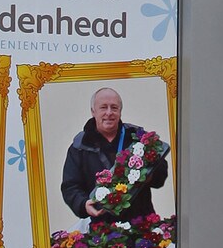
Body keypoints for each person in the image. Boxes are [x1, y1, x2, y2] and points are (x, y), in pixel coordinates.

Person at [61, 85, 169, 226]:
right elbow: (70, 186)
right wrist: (83, 204)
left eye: (114, 107)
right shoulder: (79, 146)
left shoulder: (138, 137)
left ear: (120, 111)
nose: (109, 113)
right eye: (103, 107)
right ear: (93, 111)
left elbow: (160, 173)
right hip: (102, 229)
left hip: (141, 223)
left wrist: (151, 176)